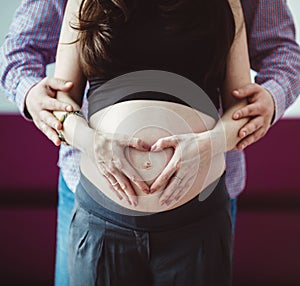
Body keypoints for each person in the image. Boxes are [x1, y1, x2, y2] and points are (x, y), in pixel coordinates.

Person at [0, 0, 299, 285]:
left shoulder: (227, 4)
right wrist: (83, 135)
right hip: (97, 208)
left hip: (201, 212)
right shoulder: (82, 3)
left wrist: (214, 141)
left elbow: (255, 83)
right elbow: (36, 69)